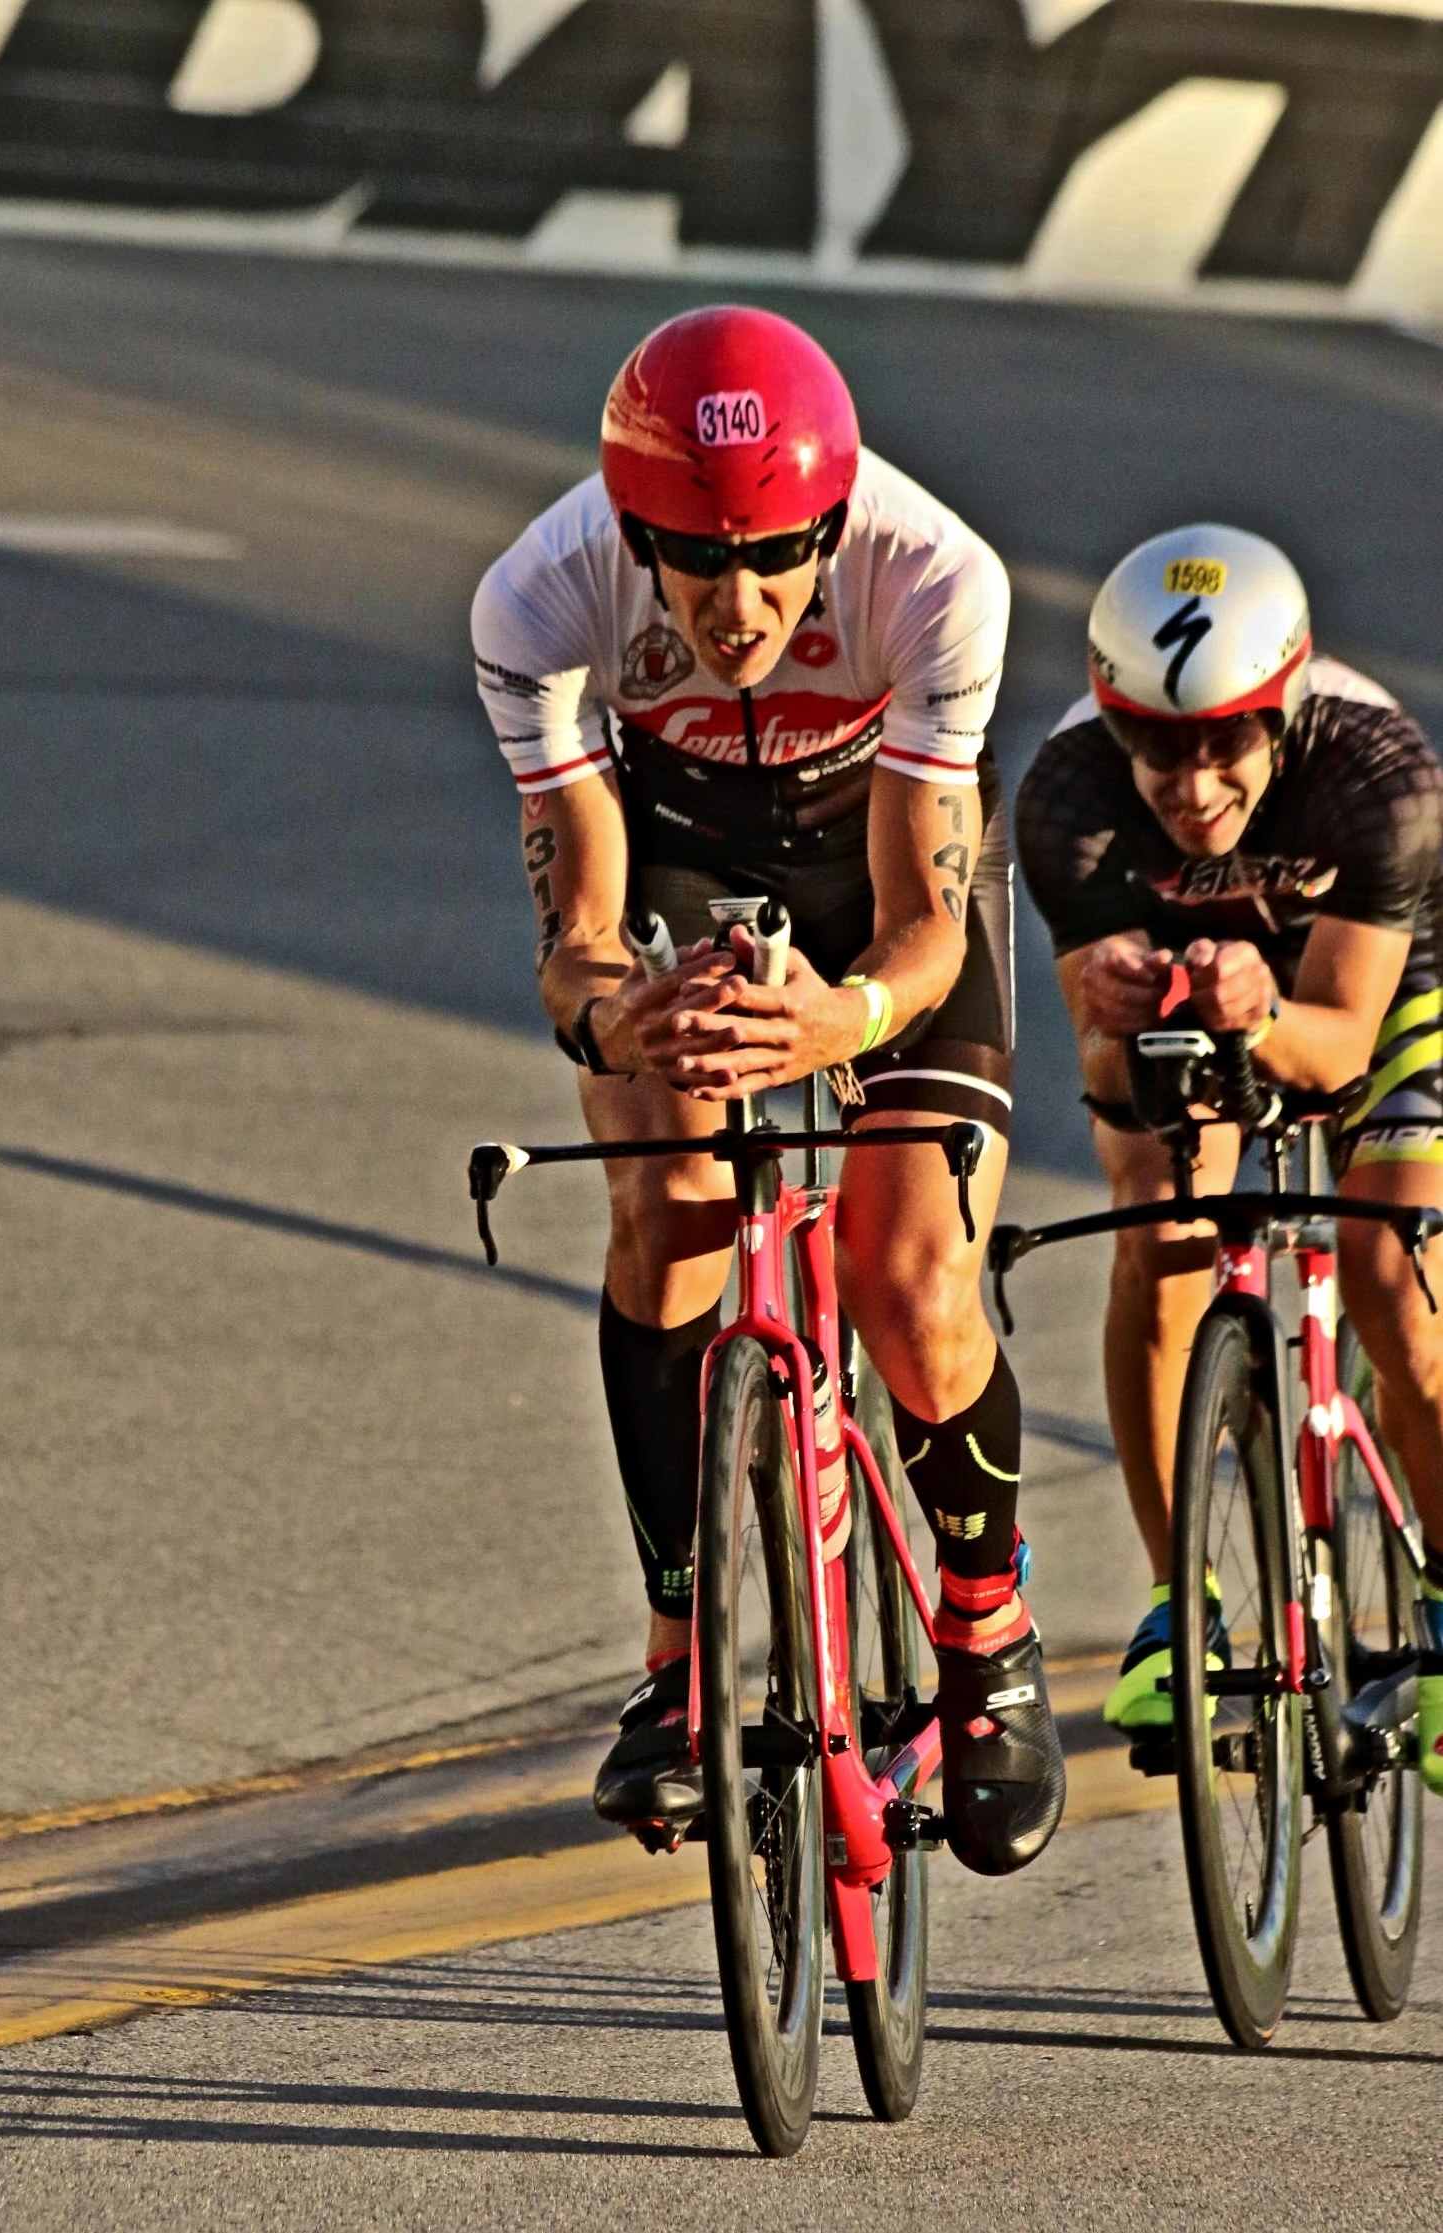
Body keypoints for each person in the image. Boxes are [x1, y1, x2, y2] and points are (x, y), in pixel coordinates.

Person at [471, 304, 1064, 1876]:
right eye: (694, 563)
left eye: (777, 560)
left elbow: (928, 923)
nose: (736, 608)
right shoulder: (539, 592)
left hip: (880, 882)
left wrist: (845, 1017)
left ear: (834, 526)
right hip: (677, 857)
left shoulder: (937, 576)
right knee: (665, 1209)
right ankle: (678, 1661)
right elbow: (577, 937)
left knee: (911, 1277)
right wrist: (625, 1018)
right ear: (633, 535)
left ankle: (987, 1630)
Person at [1014, 522, 1443, 1791]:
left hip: (1377, 980)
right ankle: (1176, 1605)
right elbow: (1108, 1091)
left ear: (1281, 715)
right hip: (1193, 987)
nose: (1192, 785)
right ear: (1114, 723)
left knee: (1386, 1269)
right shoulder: (1068, 798)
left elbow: (1340, 1045)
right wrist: (1120, 1014)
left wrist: (1256, 1012)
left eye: (1224, 744)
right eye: (1158, 745)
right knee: (1157, 1222)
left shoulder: (1376, 775)